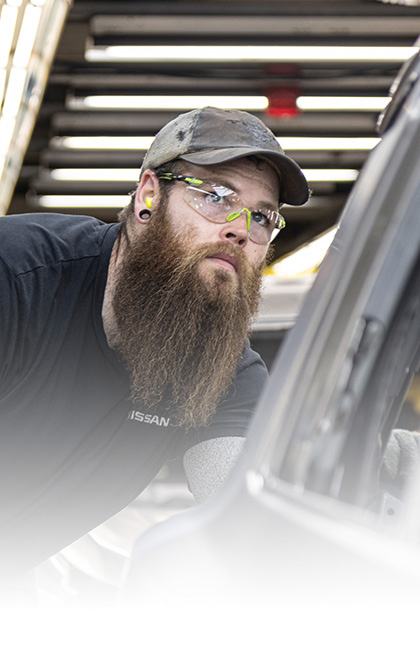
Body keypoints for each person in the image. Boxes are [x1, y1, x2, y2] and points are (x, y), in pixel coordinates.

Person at [0, 106, 308, 580]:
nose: (242, 229)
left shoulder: (223, 372)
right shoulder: (17, 276)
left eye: (264, 217)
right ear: (148, 196)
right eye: (217, 196)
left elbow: (241, 510)